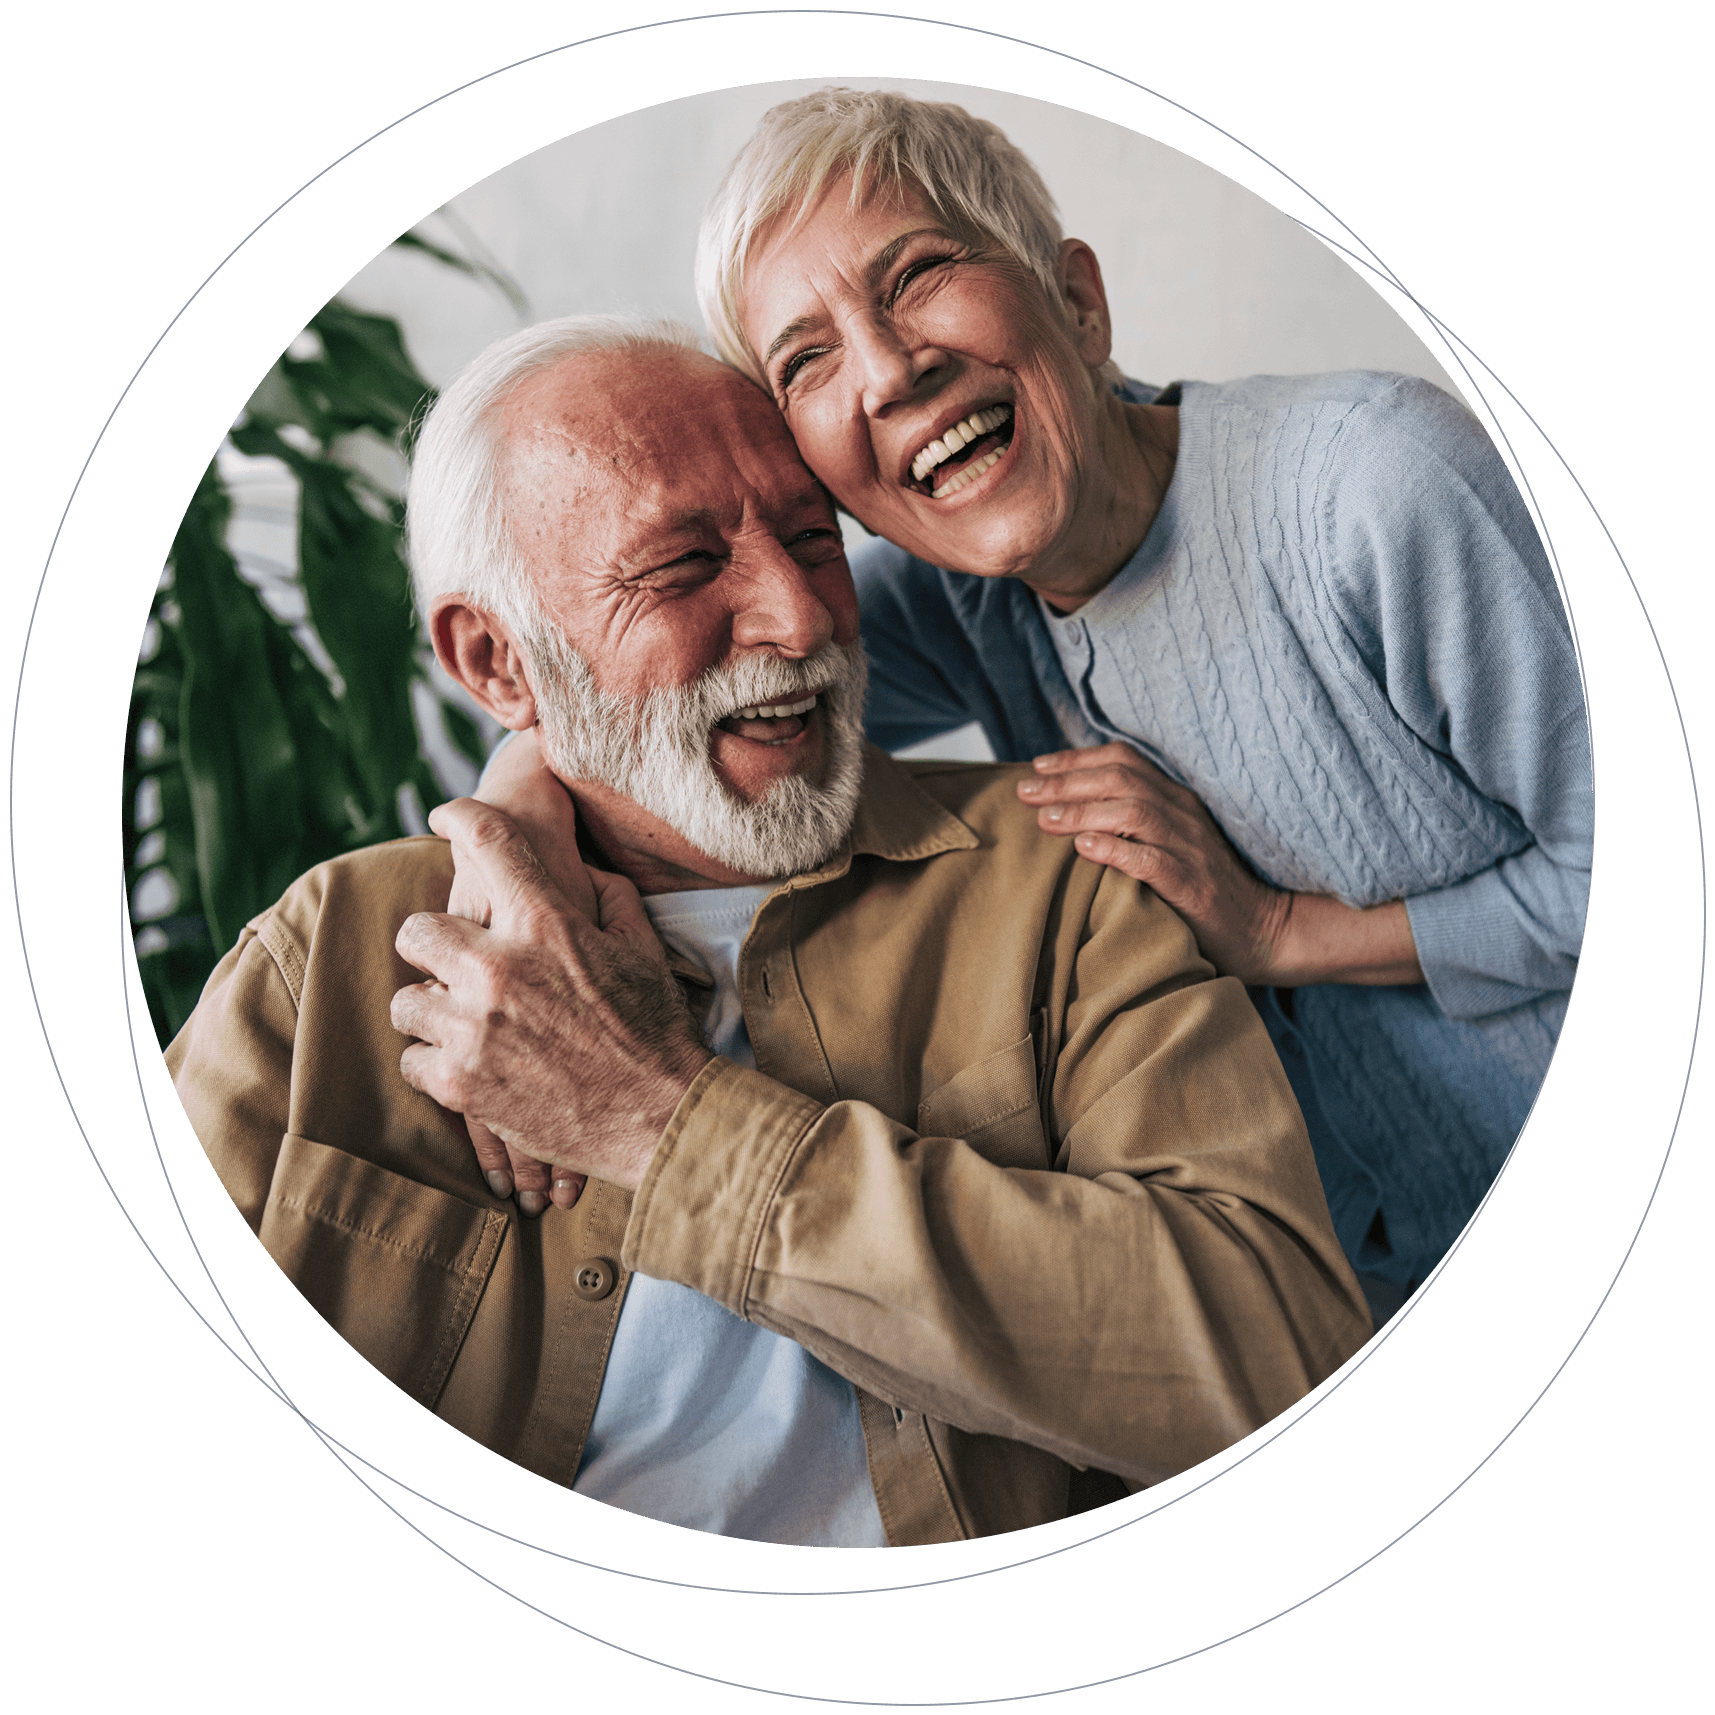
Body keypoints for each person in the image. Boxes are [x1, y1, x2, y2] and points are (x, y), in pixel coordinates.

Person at [166, 314, 1372, 1547]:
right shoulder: (326, 959)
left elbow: (1279, 1368)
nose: (799, 621)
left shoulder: (1063, 880)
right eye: (684, 569)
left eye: (812, 539)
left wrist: (659, 1117)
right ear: (497, 662)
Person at [682, 87, 1593, 1304]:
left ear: (1075, 299)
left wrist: (1283, 934)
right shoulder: (952, 597)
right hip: (1343, 1303)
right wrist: (518, 823)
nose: (891, 372)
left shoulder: (1372, 488)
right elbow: (679, 706)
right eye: (809, 359)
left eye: (917, 276)